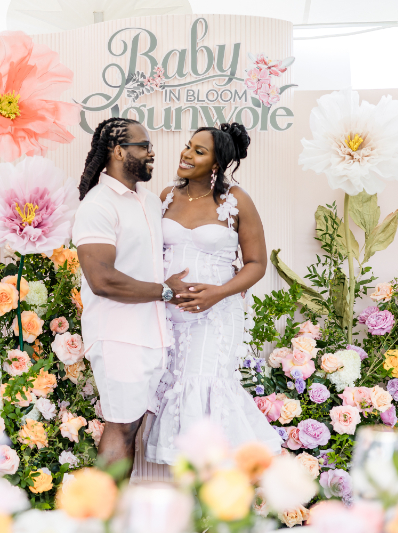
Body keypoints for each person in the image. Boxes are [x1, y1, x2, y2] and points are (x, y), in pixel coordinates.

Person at [144, 122, 283, 465]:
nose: (186, 154)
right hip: (166, 314)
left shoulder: (235, 201)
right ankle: (188, 498)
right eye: (188, 146)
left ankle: (213, 491)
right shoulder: (166, 197)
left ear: (216, 164)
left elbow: (255, 263)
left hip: (215, 316)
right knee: (172, 388)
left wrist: (217, 293)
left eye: (198, 151)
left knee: (202, 385)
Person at [72, 117, 192, 476]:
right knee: (121, 427)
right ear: (119, 151)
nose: (152, 152)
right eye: (144, 146)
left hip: (151, 334)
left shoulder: (148, 201)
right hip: (118, 335)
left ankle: (119, 517)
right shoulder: (98, 205)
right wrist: (166, 291)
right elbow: (102, 279)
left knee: (133, 429)